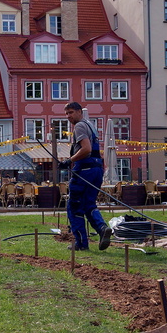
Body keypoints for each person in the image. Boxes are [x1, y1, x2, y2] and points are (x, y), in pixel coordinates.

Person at [58, 102, 112, 251]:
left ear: (79, 112)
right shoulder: (90, 125)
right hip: (96, 170)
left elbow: (86, 149)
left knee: (74, 206)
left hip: (84, 171)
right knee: (89, 204)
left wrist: (69, 161)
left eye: (71, 112)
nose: (68, 116)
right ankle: (102, 229)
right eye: (66, 113)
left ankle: (81, 244)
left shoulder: (80, 126)